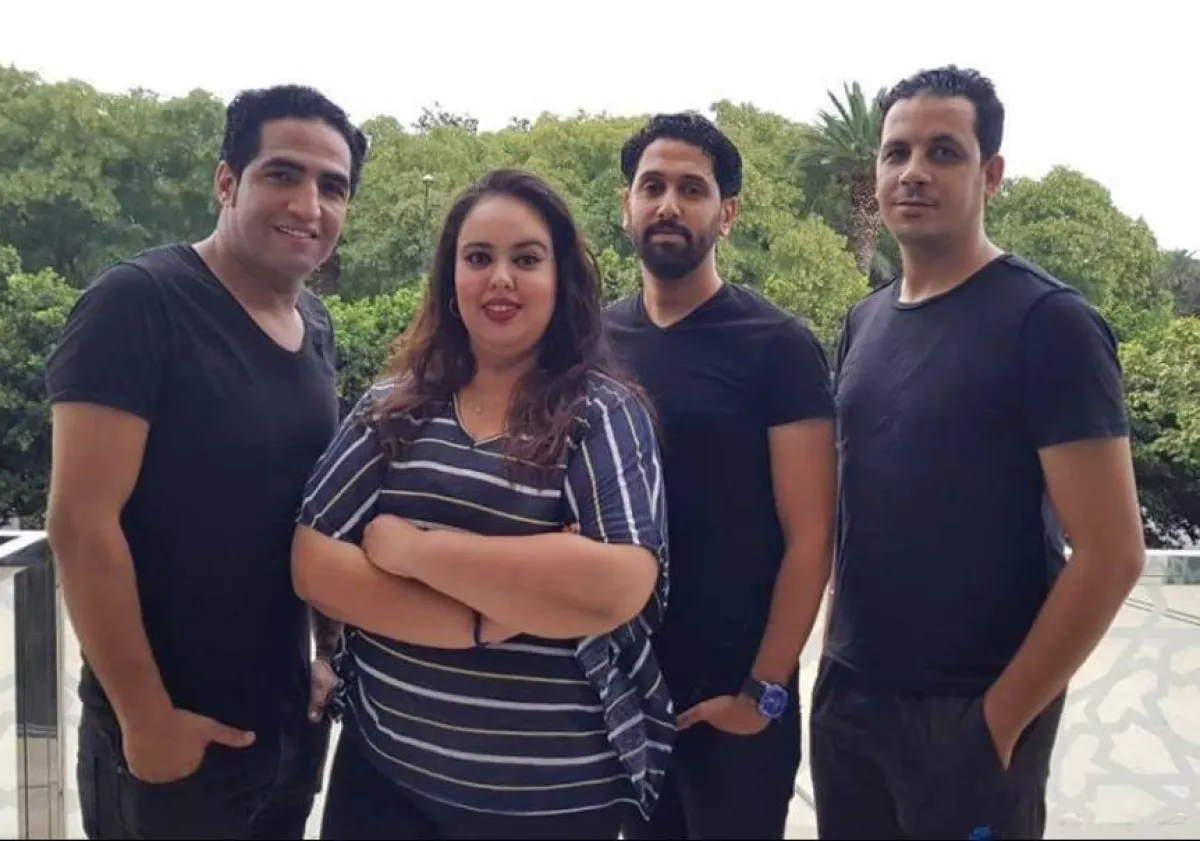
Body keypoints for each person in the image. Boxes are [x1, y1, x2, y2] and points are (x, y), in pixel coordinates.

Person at [811, 65, 1147, 840]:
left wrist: (999, 720)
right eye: (896, 153)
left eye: (944, 151)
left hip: (972, 709)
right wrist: (832, 658)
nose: (913, 172)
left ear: (990, 173)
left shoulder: (1049, 324)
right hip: (851, 705)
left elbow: (1113, 552)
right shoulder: (865, 322)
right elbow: (858, 508)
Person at [290, 168, 674, 840]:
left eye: (526, 259)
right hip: (384, 783)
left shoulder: (603, 414)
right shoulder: (392, 409)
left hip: (552, 804)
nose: (500, 278)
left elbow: (619, 584)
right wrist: (482, 617)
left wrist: (415, 550)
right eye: (478, 258)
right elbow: (315, 564)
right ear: (450, 279)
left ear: (560, 279)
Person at [44, 84, 369, 839]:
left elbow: (311, 506)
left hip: (286, 726)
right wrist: (146, 718)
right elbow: (81, 526)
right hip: (172, 744)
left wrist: (329, 653)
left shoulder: (314, 322)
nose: (309, 204)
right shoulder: (139, 303)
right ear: (227, 181)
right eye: (282, 174)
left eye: (332, 187)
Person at [606, 113, 838, 839]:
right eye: (652, 187)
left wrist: (761, 692)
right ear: (626, 206)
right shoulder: (592, 340)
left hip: (732, 708)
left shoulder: (778, 346)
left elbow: (812, 537)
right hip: (613, 699)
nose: (668, 205)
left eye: (691, 189)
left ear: (726, 214)